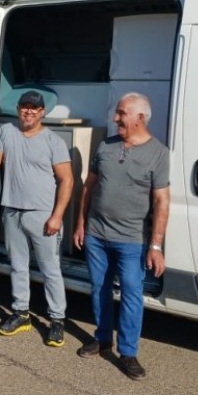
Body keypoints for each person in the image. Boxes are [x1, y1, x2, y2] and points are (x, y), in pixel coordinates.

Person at [72, 92, 170, 379]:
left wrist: (155, 245)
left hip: (131, 240)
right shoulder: (106, 145)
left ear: (140, 118)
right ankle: (103, 338)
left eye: (121, 114)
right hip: (97, 235)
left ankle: (128, 353)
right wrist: (80, 224)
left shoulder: (159, 153)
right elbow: (88, 187)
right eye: (117, 113)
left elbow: (162, 201)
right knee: (99, 288)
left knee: (130, 294)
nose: (116, 119)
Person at [0, 91, 74, 347]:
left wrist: (57, 216)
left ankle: (57, 320)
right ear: (18, 109)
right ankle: (21, 314)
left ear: (42, 112)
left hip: (42, 215)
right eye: (24, 107)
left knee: (50, 269)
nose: (29, 111)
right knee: (18, 266)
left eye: (34, 108)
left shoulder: (53, 141)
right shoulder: (6, 132)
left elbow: (67, 180)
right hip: (12, 211)